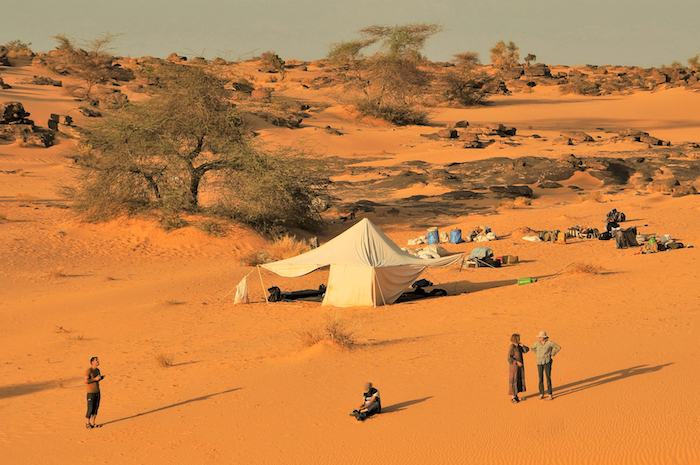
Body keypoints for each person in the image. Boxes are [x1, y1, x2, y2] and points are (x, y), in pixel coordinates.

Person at [531, 331, 561, 400]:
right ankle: (541, 393)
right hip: (539, 362)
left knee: (548, 377)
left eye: (541, 337)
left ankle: (550, 393)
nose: (540, 338)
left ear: (545, 337)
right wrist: (537, 354)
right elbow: (532, 348)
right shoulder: (537, 343)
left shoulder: (549, 343)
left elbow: (558, 347)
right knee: (540, 378)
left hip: (547, 361)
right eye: (540, 337)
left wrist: (552, 354)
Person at [508, 334, 529, 403]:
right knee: (514, 381)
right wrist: (516, 362)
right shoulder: (512, 347)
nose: (519, 340)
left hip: (520, 367)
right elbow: (509, 358)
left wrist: (522, 345)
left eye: (519, 338)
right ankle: (513, 397)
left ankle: (516, 396)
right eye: (517, 339)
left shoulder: (519, 346)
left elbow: (526, 350)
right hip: (514, 367)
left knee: (518, 380)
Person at [84, 356, 105, 428]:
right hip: (90, 392)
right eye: (96, 360)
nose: (98, 361)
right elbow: (86, 381)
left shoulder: (98, 370)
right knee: (90, 408)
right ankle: (87, 423)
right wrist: (95, 379)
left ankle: (93, 423)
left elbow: (96, 380)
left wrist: (100, 378)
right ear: (92, 362)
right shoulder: (89, 371)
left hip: (97, 391)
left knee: (96, 407)